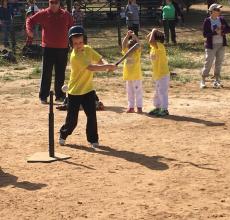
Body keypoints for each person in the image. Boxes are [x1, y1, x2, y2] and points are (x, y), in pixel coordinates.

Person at [59, 26, 117, 148]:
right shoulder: (75, 56)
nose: (79, 45)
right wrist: (108, 67)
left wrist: (107, 64)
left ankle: (93, 140)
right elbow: (91, 67)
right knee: (72, 120)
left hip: (88, 90)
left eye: (80, 42)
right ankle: (63, 134)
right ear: (71, 44)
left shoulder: (88, 49)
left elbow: (99, 59)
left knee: (92, 116)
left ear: (84, 40)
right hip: (75, 92)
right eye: (75, 43)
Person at [26, 0, 73, 104]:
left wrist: (73, 43)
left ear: (59, 3)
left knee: (60, 73)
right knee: (46, 73)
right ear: (49, 3)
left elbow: (71, 28)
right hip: (48, 48)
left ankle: (60, 95)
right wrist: (29, 30)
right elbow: (30, 20)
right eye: (52, 2)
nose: (54, 4)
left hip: (63, 48)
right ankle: (43, 96)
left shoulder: (66, 15)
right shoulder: (43, 13)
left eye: (56, 2)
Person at [200, 3, 230, 89]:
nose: (219, 11)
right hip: (211, 46)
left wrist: (223, 31)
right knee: (208, 62)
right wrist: (215, 32)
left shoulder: (222, 19)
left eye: (219, 10)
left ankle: (217, 81)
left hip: (221, 44)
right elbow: (205, 34)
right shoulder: (207, 21)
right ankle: (203, 80)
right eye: (217, 10)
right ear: (212, 11)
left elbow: (228, 29)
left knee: (219, 63)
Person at [147, 28, 170, 117]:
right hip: (157, 74)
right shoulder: (153, 47)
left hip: (163, 73)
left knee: (162, 92)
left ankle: (164, 109)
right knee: (157, 92)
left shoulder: (160, 45)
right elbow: (148, 38)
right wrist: (154, 31)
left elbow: (150, 40)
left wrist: (153, 31)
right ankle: (158, 107)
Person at [122, 30, 142, 113]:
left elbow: (139, 44)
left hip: (136, 76)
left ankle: (139, 107)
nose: (131, 48)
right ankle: (131, 107)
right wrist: (127, 36)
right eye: (129, 46)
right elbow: (123, 45)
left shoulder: (137, 52)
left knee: (138, 92)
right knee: (129, 92)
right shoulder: (126, 52)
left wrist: (134, 36)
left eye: (132, 46)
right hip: (128, 76)